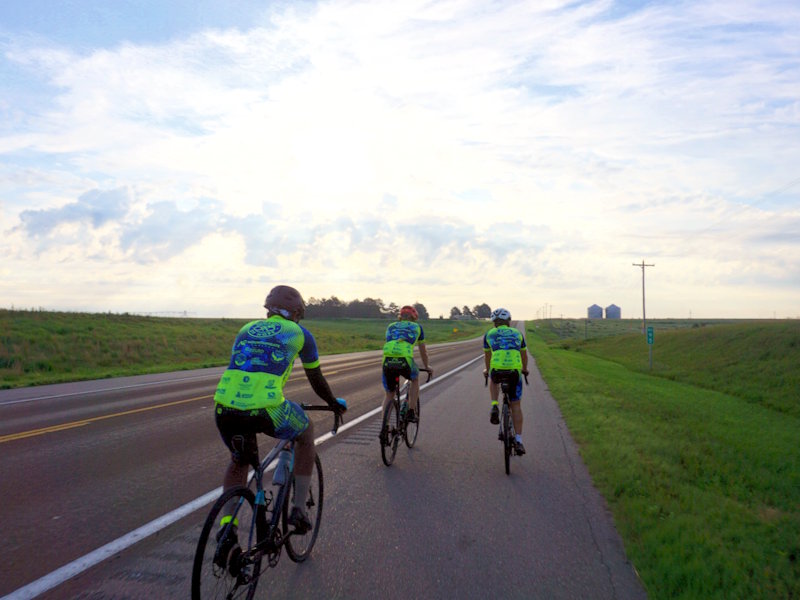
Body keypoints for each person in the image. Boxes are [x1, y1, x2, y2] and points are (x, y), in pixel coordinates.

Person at [212, 285, 346, 564]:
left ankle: (227, 529)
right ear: (296, 314)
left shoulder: (246, 329)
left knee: (239, 461)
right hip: (268, 409)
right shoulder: (300, 334)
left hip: (224, 407)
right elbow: (316, 379)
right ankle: (298, 510)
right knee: (306, 432)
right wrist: (333, 402)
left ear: (268, 310)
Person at [482, 307, 529, 455]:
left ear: (494, 322)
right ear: (508, 321)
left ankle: (494, 405)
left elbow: (487, 357)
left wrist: (487, 370)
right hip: (514, 372)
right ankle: (519, 441)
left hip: (497, 371)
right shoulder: (518, 333)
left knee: (493, 378)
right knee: (516, 405)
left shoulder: (489, 334)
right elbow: (524, 355)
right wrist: (525, 369)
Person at [380, 305, 432, 439]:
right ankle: (411, 411)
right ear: (414, 317)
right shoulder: (417, 327)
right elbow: (423, 351)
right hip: (405, 361)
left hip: (387, 361)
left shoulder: (391, 326)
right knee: (415, 379)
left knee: (389, 394)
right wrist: (427, 366)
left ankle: (384, 428)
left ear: (400, 316)